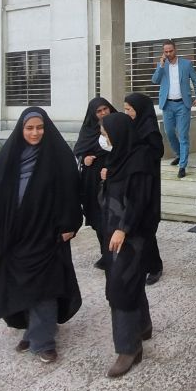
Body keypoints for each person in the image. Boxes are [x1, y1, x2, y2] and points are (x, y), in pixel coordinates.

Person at [0, 107, 84, 364]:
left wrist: (69, 225)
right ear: (21, 129)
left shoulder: (58, 157)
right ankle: (34, 329)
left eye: (39, 128)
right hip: (15, 234)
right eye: (29, 128)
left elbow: (71, 192)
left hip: (47, 233)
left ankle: (43, 341)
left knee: (45, 286)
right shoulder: (10, 156)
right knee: (21, 284)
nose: (35, 133)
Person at [98, 111, 156, 377]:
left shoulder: (139, 160)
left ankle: (128, 348)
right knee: (129, 281)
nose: (104, 139)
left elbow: (139, 200)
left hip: (132, 236)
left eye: (106, 134)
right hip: (114, 232)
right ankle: (142, 325)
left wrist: (123, 228)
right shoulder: (119, 158)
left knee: (121, 286)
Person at [123, 92, 165, 285]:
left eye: (129, 109)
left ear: (139, 109)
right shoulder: (133, 125)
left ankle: (155, 266)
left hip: (147, 182)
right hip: (134, 179)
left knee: (147, 225)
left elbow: (157, 153)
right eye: (125, 109)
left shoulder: (149, 130)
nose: (127, 113)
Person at [73, 96, 116, 271]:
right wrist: (85, 158)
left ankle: (115, 254)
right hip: (92, 179)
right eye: (99, 111)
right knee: (98, 218)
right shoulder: (88, 129)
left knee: (112, 216)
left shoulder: (118, 125)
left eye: (105, 109)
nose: (103, 113)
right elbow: (79, 149)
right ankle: (105, 254)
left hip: (113, 175)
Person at [150, 39, 196, 178]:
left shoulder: (186, 64)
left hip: (183, 104)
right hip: (167, 104)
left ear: (175, 50)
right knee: (169, 132)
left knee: (183, 135)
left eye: (170, 51)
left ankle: (182, 166)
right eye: (166, 51)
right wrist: (161, 66)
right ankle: (179, 155)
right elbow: (154, 80)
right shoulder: (162, 65)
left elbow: (195, 80)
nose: (168, 54)